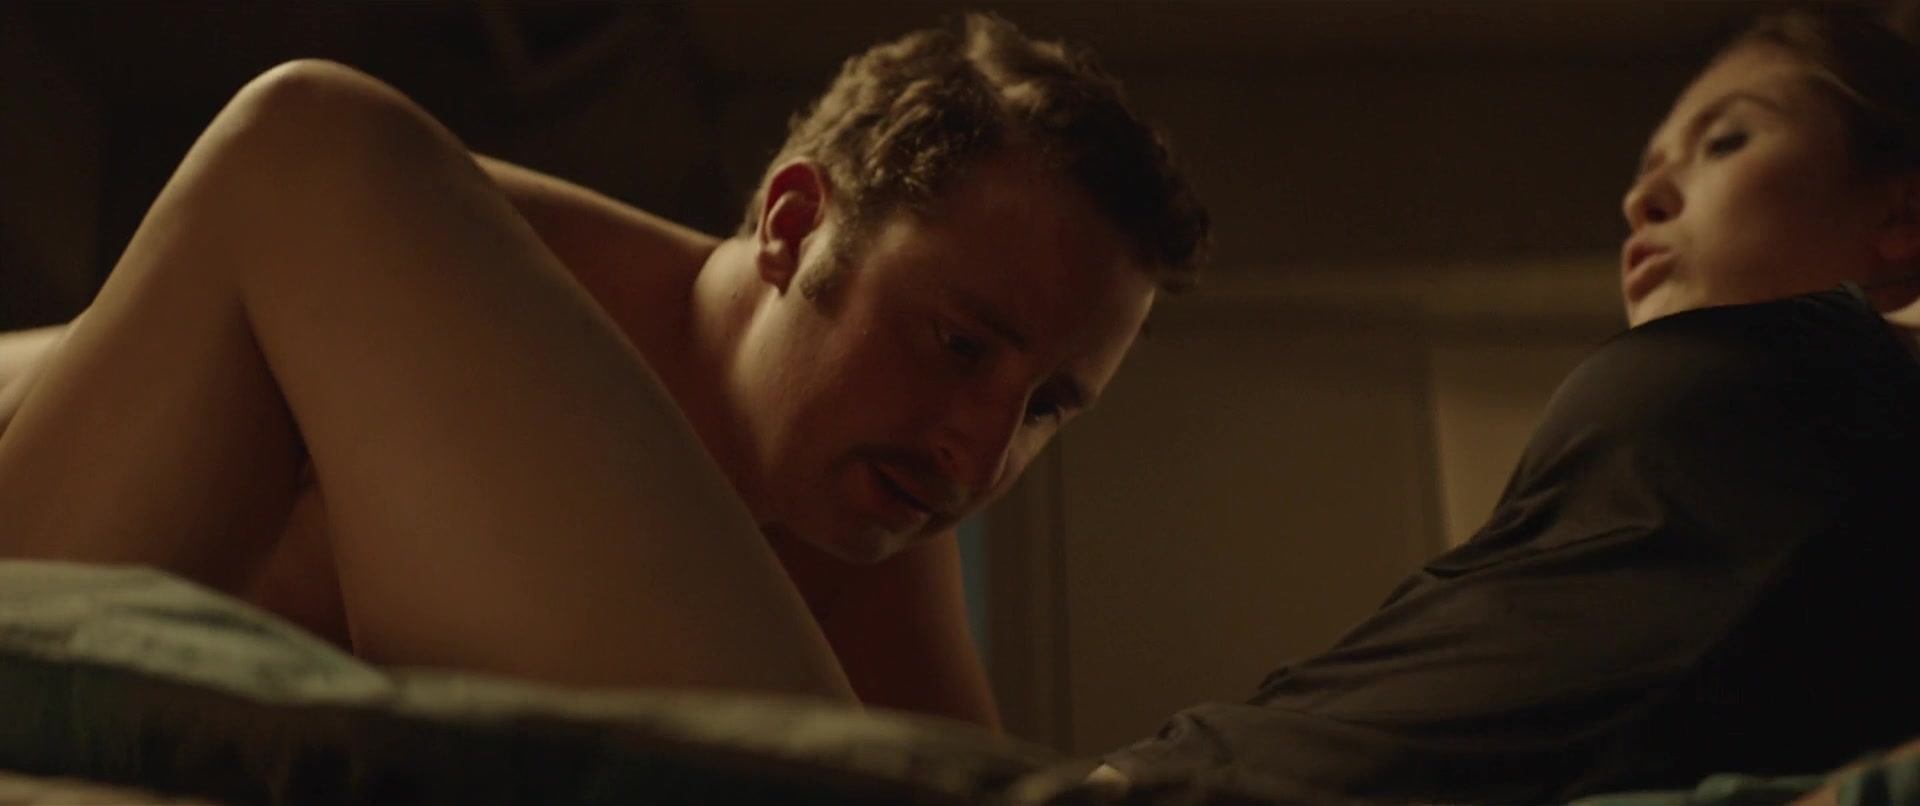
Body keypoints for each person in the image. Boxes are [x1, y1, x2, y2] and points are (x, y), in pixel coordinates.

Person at [0, 13, 1209, 731]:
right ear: (794, 226)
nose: (980, 453)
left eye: (1046, 407)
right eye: (959, 344)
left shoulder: (862, 522)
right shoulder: (439, 266)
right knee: (309, 138)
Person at [1095, 4, 1920, 803]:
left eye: (1727, 140)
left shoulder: (1862, 380)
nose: (1642, 198)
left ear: (1902, 210)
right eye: (1647, 166)